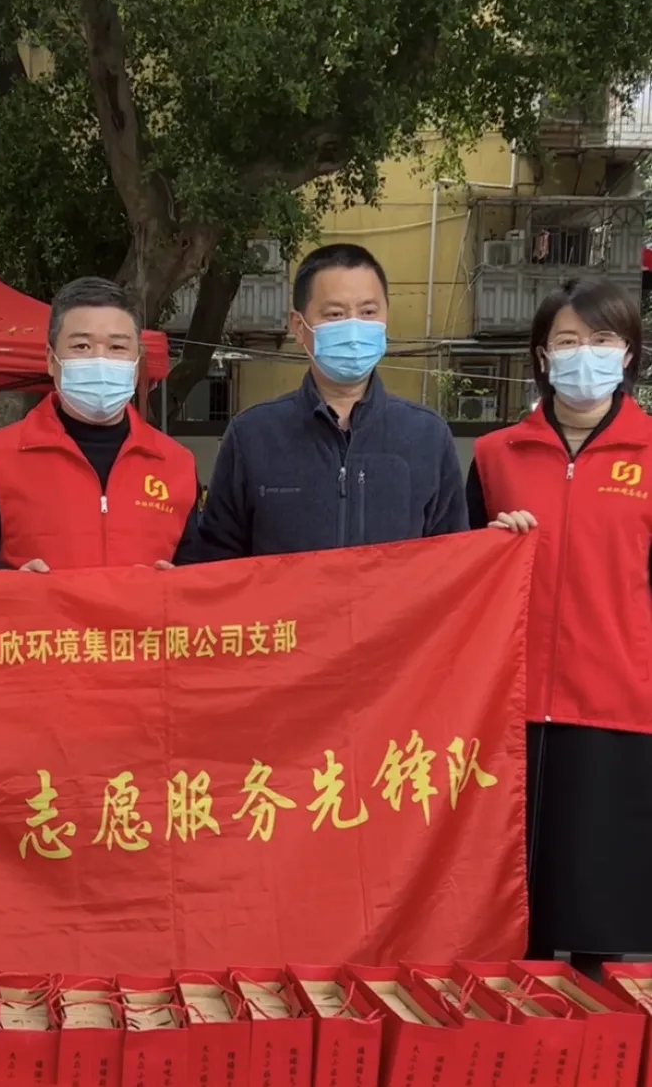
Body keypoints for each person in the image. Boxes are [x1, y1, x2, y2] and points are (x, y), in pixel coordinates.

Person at [467, 277, 652, 979]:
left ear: (627, 352)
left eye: (601, 340)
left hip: (616, 707)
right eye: (566, 341)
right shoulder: (496, 455)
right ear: (542, 357)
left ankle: (600, 1034)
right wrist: (492, 544)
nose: (584, 355)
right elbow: (458, 573)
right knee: (517, 907)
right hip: (509, 711)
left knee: (601, 908)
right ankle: (521, 1031)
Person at [197, 244, 467, 558]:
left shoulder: (428, 437)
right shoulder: (252, 436)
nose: (354, 329)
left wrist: (506, 541)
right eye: (335, 315)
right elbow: (216, 562)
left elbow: (455, 560)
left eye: (368, 312)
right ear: (299, 326)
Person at [0, 276, 201, 571]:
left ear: (137, 360)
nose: (100, 359)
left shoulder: (176, 464)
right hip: (34, 605)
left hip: (146, 606)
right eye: (81, 346)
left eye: (117, 347)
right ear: (51, 359)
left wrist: (177, 584)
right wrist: (14, 583)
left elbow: (199, 567)